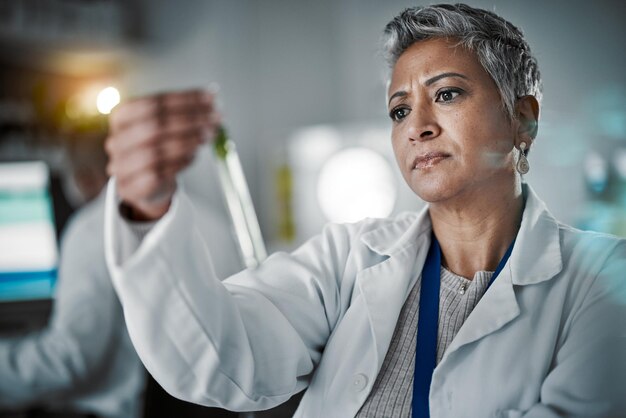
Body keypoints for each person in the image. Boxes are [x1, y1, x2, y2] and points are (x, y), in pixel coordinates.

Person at [103, 4, 626, 418]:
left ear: (523, 121)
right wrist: (147, 209)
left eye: (446, 94)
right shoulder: (349, 256)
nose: (417, 125)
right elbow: (221, 361)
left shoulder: (603, 279)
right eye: (399, 110)